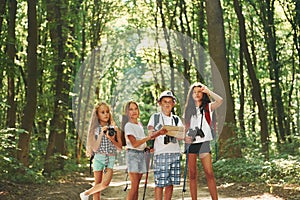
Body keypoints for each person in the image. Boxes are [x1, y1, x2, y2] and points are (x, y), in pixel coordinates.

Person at [183, 82, 223, 200]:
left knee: (209, 173)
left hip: (204, 142)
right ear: (191, 95)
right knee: (193, 175)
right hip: (191, 144)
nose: (196, 94)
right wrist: (185, 137)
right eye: (194, 92)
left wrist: (208, 91)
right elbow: (185, 128)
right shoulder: (188, 110)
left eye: (199, 92)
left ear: (203, 93)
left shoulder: (207, 107)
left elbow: (220, 100)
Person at [80, 102, 123, 200]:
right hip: (98, 158)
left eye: (107, 112)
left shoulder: (115, 129)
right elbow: (95, 148)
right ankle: (87, 194)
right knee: (97, 187)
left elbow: (120, 148)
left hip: (109, 159)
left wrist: (111, 138)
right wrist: (101, 133)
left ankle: (86, 193)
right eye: (102, 112)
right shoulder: (94, 130)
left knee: (105, 184)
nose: (106, 114)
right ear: (97, 115)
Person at [147, 91, 183, 200]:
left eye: (169, 102)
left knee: (170, 183)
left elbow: (181, 136)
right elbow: (150, 135)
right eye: (164, 102)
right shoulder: (155, 117)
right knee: (160, 183)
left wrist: (176, 134)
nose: (167, 104)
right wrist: (160, 132)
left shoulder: (176, 119)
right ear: (160, 103)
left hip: (175, 153)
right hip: (161, 153)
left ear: (173, 104)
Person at [121, 101, 152, 200]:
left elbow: (141, 141)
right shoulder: (128, 125)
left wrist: (147, 147)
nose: (134, 111)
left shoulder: (139, 124)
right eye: (131, 109)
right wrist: (148, 138)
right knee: (134, 186)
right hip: (133, 155)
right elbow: (134, 143)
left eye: (135, 108)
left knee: (137, 186)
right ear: (126, 112)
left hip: (141, 155)